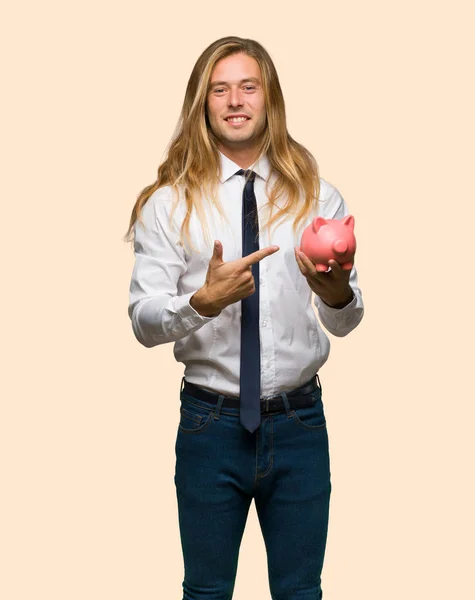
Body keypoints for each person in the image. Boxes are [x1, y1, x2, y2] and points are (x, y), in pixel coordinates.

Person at [125, 36, 364, 600]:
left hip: (300, 425)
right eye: (220, 88)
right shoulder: (169, 204)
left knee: (301, 592)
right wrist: (200, 304)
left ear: (269, 99)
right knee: (205, 592)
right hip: (210, 427)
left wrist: (334, 293)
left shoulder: (318, 198)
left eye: (248, 86)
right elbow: (142, 319)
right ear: (203, 103)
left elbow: (347, 321)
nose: (235, 100)